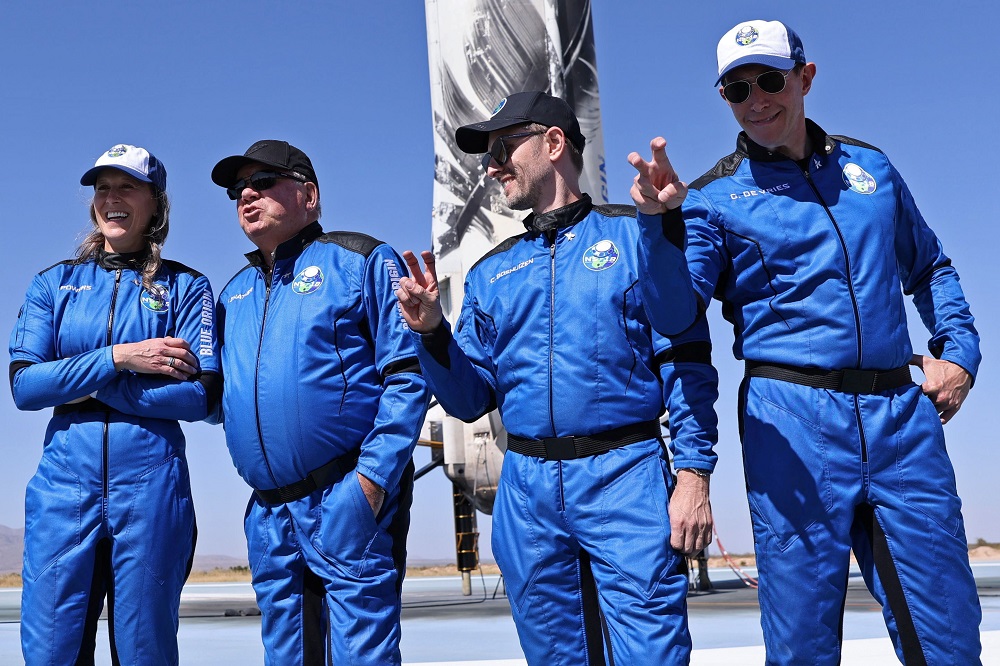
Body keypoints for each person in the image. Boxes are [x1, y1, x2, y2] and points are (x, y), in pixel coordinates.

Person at [631, 19, 983, 665]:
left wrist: (959, 352)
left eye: (770, 80)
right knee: (801, 642)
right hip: (792, 424)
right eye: (738, 90)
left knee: (949, 630)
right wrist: (660, 229)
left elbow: (930, 267)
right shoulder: (711, 200)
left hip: (901, 419)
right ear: (724, 99)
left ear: (805, 77)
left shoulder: (870, 169)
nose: (757, 100)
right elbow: (674, 315)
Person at [395, 91, 718, 665]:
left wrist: (693, 476)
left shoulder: (637, 236)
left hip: (625, 476)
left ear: (552, 143)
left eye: (501, 149)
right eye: (486, 155)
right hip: (528, 491)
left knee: (652, 654)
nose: (490, 167)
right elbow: (469, 400)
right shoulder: (492, 273)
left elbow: (685, 359)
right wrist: (433, 334)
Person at [209, 139, 429, 665]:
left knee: (362, 654)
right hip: (269, 514)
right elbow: (215, 400)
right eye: (238, 189)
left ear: (308, 195)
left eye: (263, 182)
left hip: (345, 495)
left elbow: (408, 374)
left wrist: (372, 482)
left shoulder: (360, 261)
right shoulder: (233, 295)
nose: (247, 194)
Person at [8, 143, 220, 665]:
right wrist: (121, 357)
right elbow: (25, 386)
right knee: (51, 651)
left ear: (156, 203)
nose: (112, 198)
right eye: (103, 188)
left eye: (127, 187)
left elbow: (200, 396)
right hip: (63, 487)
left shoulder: (187, 287)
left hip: (152, 487)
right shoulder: (53, 283)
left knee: (145, 650)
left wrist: (80, 380)